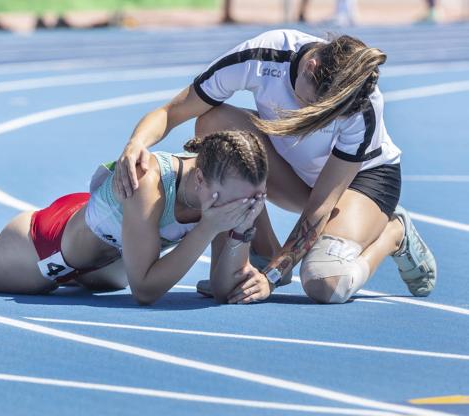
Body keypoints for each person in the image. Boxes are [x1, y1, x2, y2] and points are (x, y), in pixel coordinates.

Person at [114, 29, 436, 304]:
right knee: (213, 122)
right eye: (314, 108)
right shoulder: (263, 57)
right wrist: (135, 144)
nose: (314, 121)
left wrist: (273, 276)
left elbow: (320, 206)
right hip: (297, 173)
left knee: (323, 281)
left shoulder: (360, 104)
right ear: (310, 66)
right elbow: (172, 112)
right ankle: (264, 249)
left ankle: (393, 232)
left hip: (359, 184)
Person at [0, 131, 268, 305]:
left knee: (108, 278)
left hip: (107, 263)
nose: (244, 207)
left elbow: (223, 288)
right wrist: (208, 228)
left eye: (254, 199)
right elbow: (145, 291)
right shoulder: (151, 183)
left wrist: (245, 237)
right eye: (239, 203)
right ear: (199, 180)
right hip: (48, 246)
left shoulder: (228, 193)